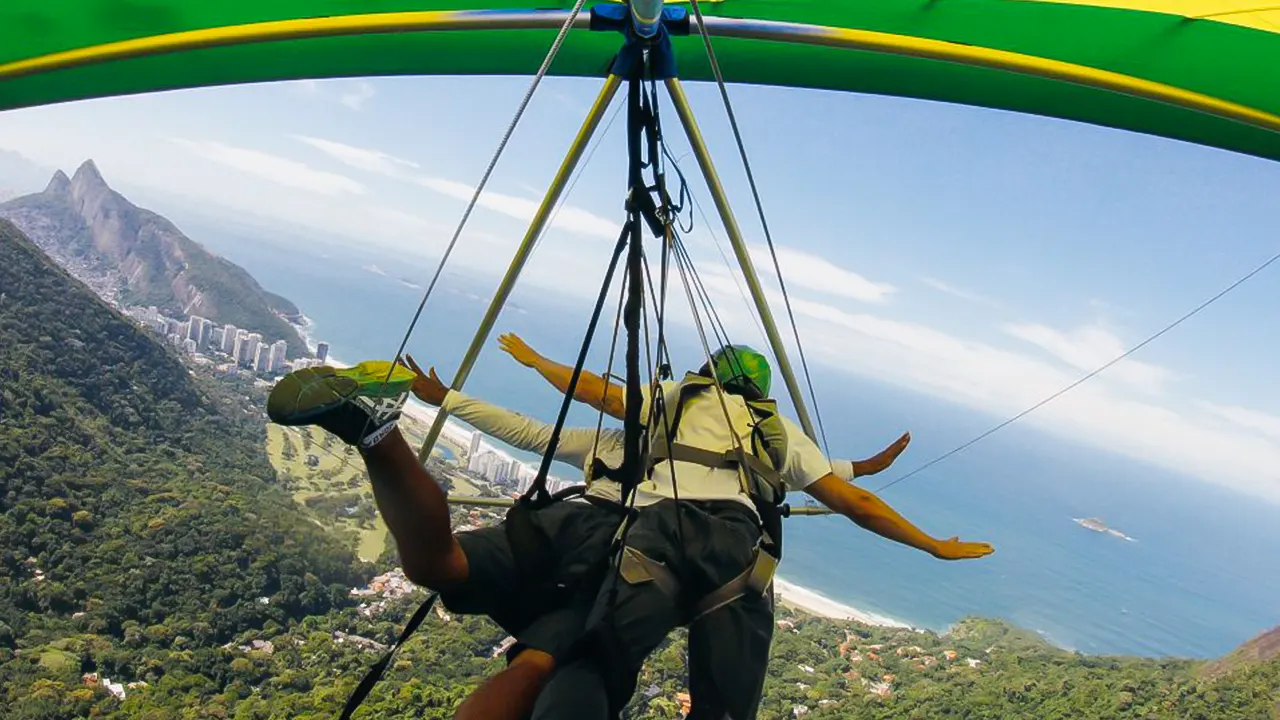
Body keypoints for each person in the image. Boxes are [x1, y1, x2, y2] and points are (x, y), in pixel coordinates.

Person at [483, 334, 993, 720]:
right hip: (733, 554)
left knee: (595, 661)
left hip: (651, 538)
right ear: (761, 393)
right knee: (726, 704)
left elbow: (604, 396)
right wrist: (930, 545)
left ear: (709, 373)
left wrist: (537, 361)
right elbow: (854, 502)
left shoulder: (681, 399)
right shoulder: (775, 431)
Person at [395, 351, 915, 719]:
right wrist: (863, 470)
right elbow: (798, 467)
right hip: (625, 558)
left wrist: (451, 398)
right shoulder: (674, 447)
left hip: (580, 541)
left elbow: (537, 428)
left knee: (530, 655)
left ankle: (383, 447)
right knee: (586, 667)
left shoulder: (619, 439)